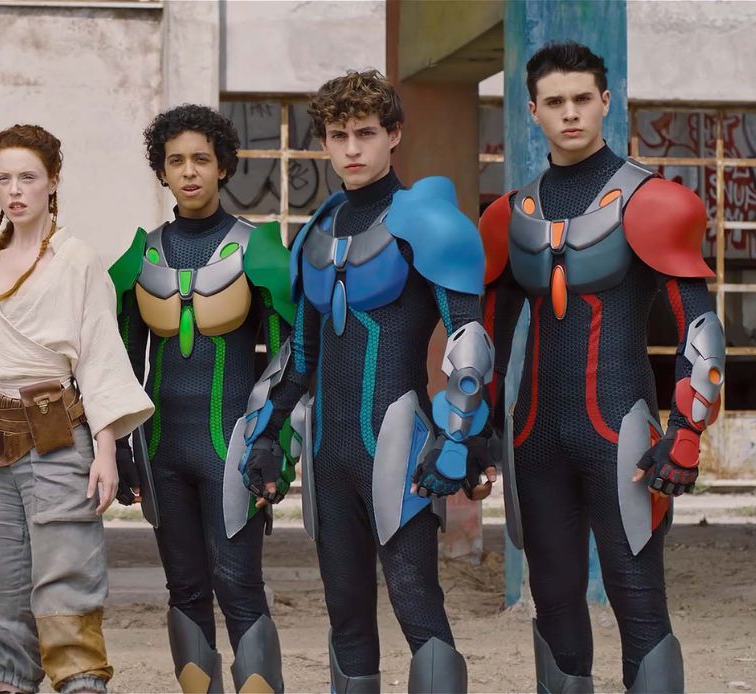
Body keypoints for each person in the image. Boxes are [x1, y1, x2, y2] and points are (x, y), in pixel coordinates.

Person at [237, 69, 495, 693]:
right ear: (325, 141)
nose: (352, 149)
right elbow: (301, 354)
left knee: (417, 605)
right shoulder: (316, 232)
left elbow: (469, 345)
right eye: (338, 135)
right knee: (346, 617)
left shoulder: (429, 221)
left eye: (366, 133)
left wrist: (459, 439)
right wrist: (268, 433)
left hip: (398, 446)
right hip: (330, 457)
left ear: (393, 135)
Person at [479, 41, 721, 693]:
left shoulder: (654, 203)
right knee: (553, 604)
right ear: (532, 110)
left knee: (638, 601)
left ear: (605, 102)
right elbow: (486, 339)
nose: (570, 113)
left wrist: (686, 433)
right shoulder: (508, 217)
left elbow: (699, 330)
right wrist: (475, 431)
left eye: (582, 98)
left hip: (621, 437)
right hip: (534, 442)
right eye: (554, 101)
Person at [0, 124, 154, 694]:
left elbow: (99, 356)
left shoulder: (78, 261)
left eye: (27, 177)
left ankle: (81, 683)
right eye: (3, 178)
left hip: (58, 438)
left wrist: (106, 451)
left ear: (53, 181)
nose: (14, 190)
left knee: (66, 577)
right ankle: (13, 678)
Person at [108, 104, 294, 692]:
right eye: (176, 161)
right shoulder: (140, 257)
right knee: (185, 589)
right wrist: (118, 446)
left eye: (201, 160)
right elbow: (119, 365)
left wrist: (274, 442)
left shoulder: (259, 250)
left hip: (232, 446)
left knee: (239, 586)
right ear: (162, 171)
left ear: (223, 167)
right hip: (162, 449)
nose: (189, 172)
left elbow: (289, 360)